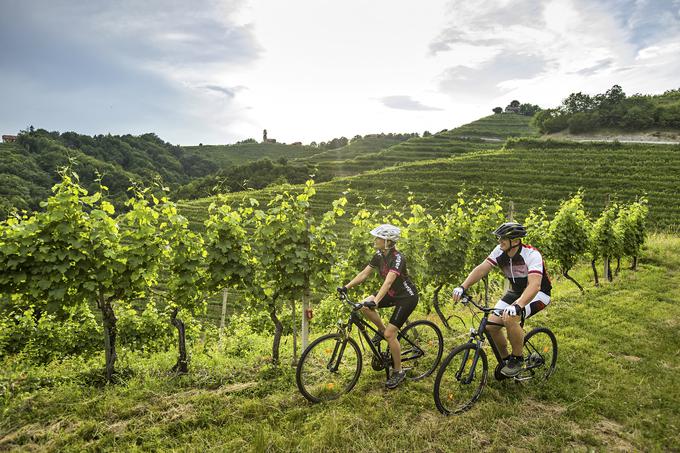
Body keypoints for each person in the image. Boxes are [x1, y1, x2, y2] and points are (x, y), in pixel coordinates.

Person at [452, 222, 552, 377]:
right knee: (490, 326)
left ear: (516, 241)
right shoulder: (499, 251)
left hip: (538, 294)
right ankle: (506, 361)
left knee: (510, 318)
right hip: (515, 292)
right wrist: (463, 287)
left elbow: (535, 285)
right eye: (499, 238)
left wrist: (518, 305)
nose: (500, 241)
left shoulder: (532, 255)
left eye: (503, 238)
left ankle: (517, 359)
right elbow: (482, 268)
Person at [338, 224, 419, 389]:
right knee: (364, 305)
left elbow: (389, 282)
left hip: (407, 298)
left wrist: (376, 301)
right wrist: (346, 287)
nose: (375, 240)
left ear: (388, 241)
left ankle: (398, 372)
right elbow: (363, 274)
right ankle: (381, 331)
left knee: (390, 335)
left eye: (378, 238)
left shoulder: (397, 258)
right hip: (392, 294)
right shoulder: (378, 255)